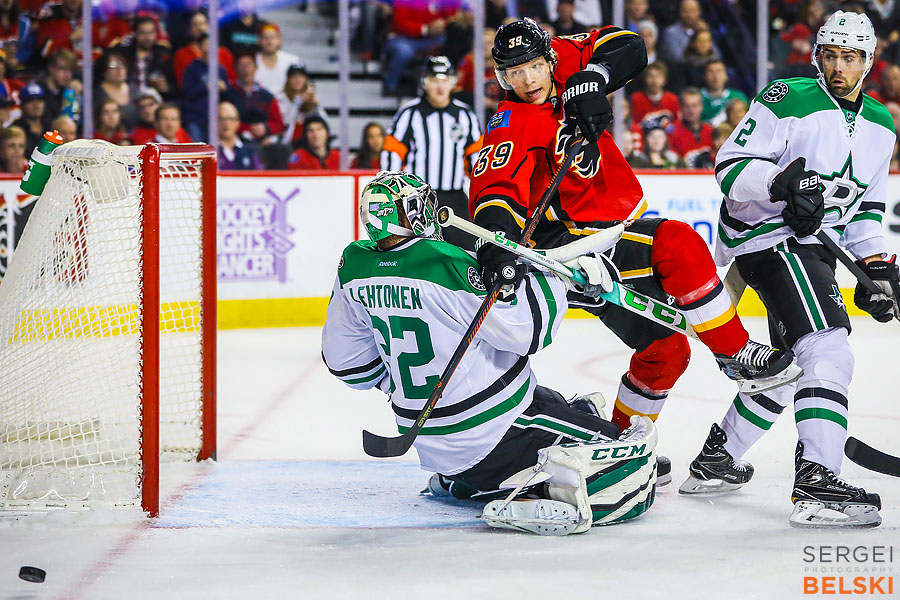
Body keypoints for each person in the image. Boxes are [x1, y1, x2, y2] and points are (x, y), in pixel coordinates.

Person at [469, 18, 800, 437]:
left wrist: (593, 78)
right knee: (678, 244)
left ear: (549, 58)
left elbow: (629, 45)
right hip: (574, 250)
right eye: (513, 72)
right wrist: (497, 246)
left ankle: (622, 440)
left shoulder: (567, 58)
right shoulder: (511, 122)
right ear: (501, 77)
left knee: (666, 350)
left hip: (616, 229)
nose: (527, 80)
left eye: (533, 66)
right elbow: (494, 193)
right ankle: (736, 353)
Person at [322, 170, 660, 536]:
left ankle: (465, 479)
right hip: (494, 432)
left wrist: (400, 386)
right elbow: (531, 329)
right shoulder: (443, 263)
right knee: (636, 464)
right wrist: (557, 278)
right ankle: (532, 491)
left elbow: (346, 363)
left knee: (572, 407)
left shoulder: (353, 266)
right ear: (409, 213)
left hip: (428, 437)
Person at [681, 11, 891, 529]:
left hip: (817, 247)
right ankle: (818, 478)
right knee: (828, 346)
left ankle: (718, 459)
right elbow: (730, 167)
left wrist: (878, 268)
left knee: (791, 366)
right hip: (770, 239)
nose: (838, 67)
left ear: (869, 60)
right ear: (816, 55)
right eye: (830, 55)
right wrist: (780, 185)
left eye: (850, 57)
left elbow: (865, 209)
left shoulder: (881, 125)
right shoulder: (788, 98)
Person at [382, 56, 482, 250]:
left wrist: (478, 191)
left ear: (453, 83)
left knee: (468, 252)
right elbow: (393, 154)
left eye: (445, 80)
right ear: (425, 83)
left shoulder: (465, 115)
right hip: (418, 197)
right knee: (418, 252)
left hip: (456, 198)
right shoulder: (409, 114)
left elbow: (477, 157)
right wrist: (394, 194)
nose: (440, 87)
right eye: (434, 80)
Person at [668, 87, 713, 167]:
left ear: (701, 107)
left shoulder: (711, 131)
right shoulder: (671, 132)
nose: (691, 111)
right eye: (687, 106)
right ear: (681, 107)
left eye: (695, 106)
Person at [255, 23, 299, 95]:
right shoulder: (251, 62)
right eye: (265, 37)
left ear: (280, 40)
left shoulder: (292, 61)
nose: (269, 42)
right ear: (259, 40)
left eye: (273, 37)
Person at [700, 60, 748, 126]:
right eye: (711, 72)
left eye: (719, 71)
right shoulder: (697, 98)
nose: (715, 76)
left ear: (726, 76)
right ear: (704, 76)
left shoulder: (737, 96)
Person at [217, 101, 262, 170]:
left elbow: (259, 176)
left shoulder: (250, 151)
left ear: (238, 122)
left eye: (231, 119)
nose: (227, 124)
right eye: (222, 119)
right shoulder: (211, 152)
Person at [11, 82, 50, 158]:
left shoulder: (50, 127)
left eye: (39, 100)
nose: (36, 105)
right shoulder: (15, 128)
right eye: (30, 101)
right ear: (22, 105)